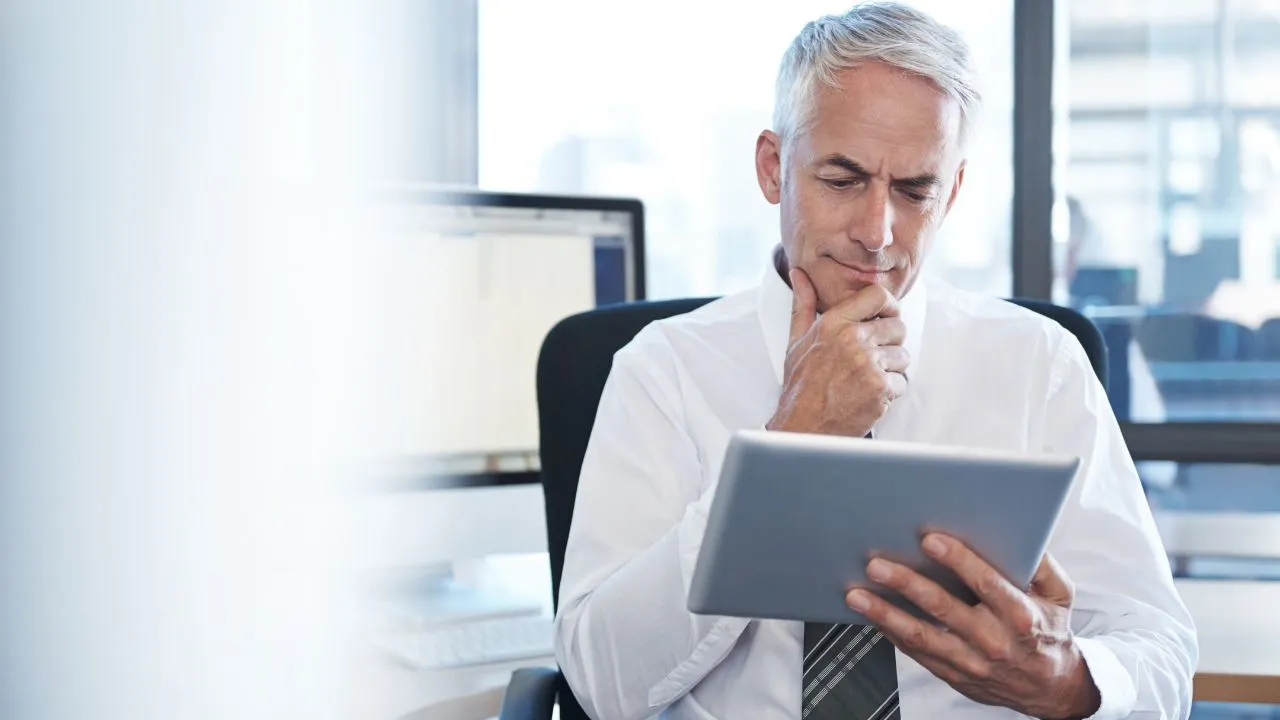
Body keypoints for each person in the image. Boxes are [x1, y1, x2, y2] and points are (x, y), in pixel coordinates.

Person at [554, 4, 1197, 719]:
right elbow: (598, 683)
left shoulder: (1038, 365)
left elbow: (1162, 652)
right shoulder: (664, 370)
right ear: (774, 168)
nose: (876, 232)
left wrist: (1071, 681)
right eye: (842, 178)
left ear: (950, 192)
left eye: (915, 190)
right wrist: (788, 446)